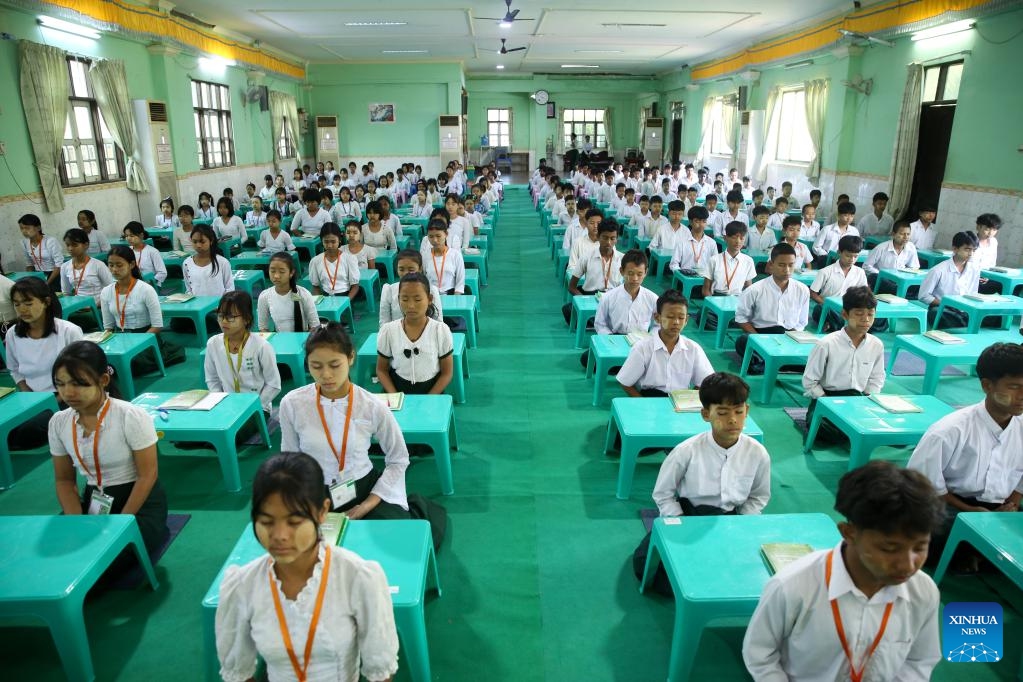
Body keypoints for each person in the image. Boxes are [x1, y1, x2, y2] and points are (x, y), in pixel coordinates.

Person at [742, 461, 944, 682]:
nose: (907, 564)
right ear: (849, 533)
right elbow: (760, 654)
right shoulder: (793, 586)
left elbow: (920, 661)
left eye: (920, 547)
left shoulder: (923, 592)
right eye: (889, 548)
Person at [215, 451, 399, 682]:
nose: (280, 536)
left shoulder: (357, 578)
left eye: (294, 522)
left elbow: (380, 672)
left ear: (322, 512)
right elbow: (239, 673)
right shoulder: (243, 585)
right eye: (266, 522)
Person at [633, 372, 770, 595]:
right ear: (706, 414)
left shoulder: (757, 453)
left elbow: (759, 496)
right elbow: (663, 494)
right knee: (647, 566)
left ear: (747, 412)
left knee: (754, 572)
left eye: (739, 412)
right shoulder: (686, 451)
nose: (733, 420)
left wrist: (742, 525)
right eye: (723, 413)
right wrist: (679, 522)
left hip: (731, 519)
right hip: (690, 515)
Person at [49, 341, 169, 566]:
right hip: (94, 498)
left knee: (100, 561)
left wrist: (121, 523)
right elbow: (64, 481)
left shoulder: (130, 416)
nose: (68, 392)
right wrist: (77, 523)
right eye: (61, 384)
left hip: (137, 501)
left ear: (103, 380)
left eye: (79, 384)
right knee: (57, 552)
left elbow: (148, 475)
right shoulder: (58, 422)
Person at [908, 342, 1023, 571]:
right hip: (953, 506)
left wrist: (1011, 506)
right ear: (986, 385)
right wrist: (971, 512)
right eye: (1014, 387)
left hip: (1002, 507)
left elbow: (1020, 481)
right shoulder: (949, 431)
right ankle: (981, 554)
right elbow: (923, 488)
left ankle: (976, 554)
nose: (1022, 396)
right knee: (918, 527)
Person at [279, 323, 411, 519]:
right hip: (312, 492)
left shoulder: (372, 406)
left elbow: (399, 459)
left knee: (387, 538)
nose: (326, 375)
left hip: (363, 488)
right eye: (316, 366)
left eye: (334, 365)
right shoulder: (292, 403)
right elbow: (289, 459)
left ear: (350, 357)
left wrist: (367, 504)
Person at [5, 278, 83, 448]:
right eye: (17, 304)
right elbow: (14, 369)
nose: (22, 309)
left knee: (25, 431)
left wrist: (55, 400)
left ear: (46, 301)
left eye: (28, 303)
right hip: (32, 398)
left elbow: (82, 374)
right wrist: (29, 396)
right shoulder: (13, 334)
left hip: (66, 398)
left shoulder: (68, 331)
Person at [802, 286, 885, 440]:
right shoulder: (826, 344)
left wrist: (867, 400)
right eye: (859, 314)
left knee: (883, 425)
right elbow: (809, 382)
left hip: (858, 398)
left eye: (870, 314)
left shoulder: (876, 344)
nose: (865, 320)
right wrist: (826, 401)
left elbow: (876, 378)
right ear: (845, 314)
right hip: (827, 396)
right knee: (821, 429)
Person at [100, 245, 184, 373]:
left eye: (119, 265)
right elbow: (108, 327)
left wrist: (137, 343)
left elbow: (157, 326)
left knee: (132, 364)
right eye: (111, 265)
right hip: (120, 338)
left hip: (146, 336)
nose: (114, 269)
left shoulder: (145, 289)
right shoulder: (106, 291)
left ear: (132, 264)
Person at [616, 289, 714, 397]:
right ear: (657, 318)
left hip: (679, 399)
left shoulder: (693, 349)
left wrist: (689, 399)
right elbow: (625, 382)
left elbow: (706, 382)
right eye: (670, 317)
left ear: (686, 320)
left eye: (681, 318)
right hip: (650, 397)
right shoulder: (642, 348)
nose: (676, 322)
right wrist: (642, 402)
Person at [734, 243, 810, 374]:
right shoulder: (754, 290)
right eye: (781, 265)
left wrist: (791, 338)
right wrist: (758, 340)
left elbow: (802, 322)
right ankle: (784, 365)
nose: (787, 270)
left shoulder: (802, 290)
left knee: (818, 350)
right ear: (771, 265)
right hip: (761, 334)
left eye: (791, 265)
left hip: (789, 335)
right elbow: (741, 319)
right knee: (743, 341)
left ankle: (769, 365)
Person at [205, 291, 281, 417]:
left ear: (246, 319)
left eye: (230, 317)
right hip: (228, 405)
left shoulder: (261, 346)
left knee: (239, 433)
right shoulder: (213, 343)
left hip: (258, 407)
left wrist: (256, 407)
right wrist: (220, 402)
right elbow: (212, 379)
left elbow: (274, 384)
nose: (224, 321)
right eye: (220, 315)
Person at [376, 273, 454, 396]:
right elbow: (381, 370)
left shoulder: (440, 330)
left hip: (432, 390)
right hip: (396, 389)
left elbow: (447, 373)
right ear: (398, 299)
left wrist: (430, 398)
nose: (411, 305)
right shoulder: (388, 330)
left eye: (417, 299)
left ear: (429, 299)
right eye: (405, 299)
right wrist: (394, 395)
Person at [917, 230, 980, 329]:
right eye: (967, 249)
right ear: (955, 249)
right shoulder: (938, 270)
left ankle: (965, 321)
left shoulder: (975, 269)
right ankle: (967, 323)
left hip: (966, 309)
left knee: (994, 315)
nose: (971, 254)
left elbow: (974, 294)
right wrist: (947, 304)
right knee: (935, 313)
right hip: (944, 308)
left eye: (974, 250)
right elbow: (923, 296)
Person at [810, 235, 867, 333]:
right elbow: (813, 293)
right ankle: (848, 325)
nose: (852, 260)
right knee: (819, 310)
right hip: (829, 307)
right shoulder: (825, 272)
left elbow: (864, 292)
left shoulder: (860, 272)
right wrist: (826, 303)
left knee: (875, 316)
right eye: (848, 256)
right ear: (839, 252)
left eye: (855, 256)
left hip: (849, 308)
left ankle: (835, 325)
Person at [594, 249, 658, 336]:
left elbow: (658, 325)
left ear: (645, 272)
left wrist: (649, 338)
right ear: (621, 271)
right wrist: (610, 337)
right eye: (630, 273)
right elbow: (600, 324)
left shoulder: (653, 299)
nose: (635, 278)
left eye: (639, 274)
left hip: (641, 340)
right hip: (614, 338)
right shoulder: (608, 297)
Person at [258, 253, 319, 333]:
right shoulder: (265, 296)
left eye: (282, 272)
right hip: (279, 341)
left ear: (291, 273)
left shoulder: (303, 294)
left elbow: (315, 326)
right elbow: (263, 327)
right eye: (272, 271)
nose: (276, 276)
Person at [379, 250, 443, 327]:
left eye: (411, 270)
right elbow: (384, 323)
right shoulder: (389, 290)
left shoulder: (431, 290)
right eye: (401, 269)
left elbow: (438, 322)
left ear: (420, 269)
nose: (405, 273)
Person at [60, 228, 112, 311]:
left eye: (74, 245)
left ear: (86, 245)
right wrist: (73, 306)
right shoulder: (64, 267)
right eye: (68, 245)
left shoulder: (98, 265)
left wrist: (96, 305)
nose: (70, 248)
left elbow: (111, 288)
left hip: (98, 307)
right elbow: (66, 293)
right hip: (78, 307)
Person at [309, 223, 361, 301]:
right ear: (321, 241)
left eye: (333, 242)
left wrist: (346, 302)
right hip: (325, 297)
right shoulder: (315, 261)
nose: (329, 245)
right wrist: (320, 302)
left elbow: (355, 286)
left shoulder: (349, 259)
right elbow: (315, 287)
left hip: (345, 297)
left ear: (339, 240)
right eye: (326, 242)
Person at [703, 221, 755, 298]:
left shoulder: (748, 261)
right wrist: (712, 303)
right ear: (725, 238)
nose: (738, 241)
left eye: (741, 238)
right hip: (716, 298)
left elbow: (748, 288)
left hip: (737, 299)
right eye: (734, 237)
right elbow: (705, 290)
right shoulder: (714, 260)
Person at [182, 224, 234, 297]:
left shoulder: (222, 262)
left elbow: (230, 289)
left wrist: (222, 306)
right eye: (194, 242)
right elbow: (189, 289)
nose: (198, 245)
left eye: (202, 242)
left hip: (218, 306)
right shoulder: (187, 263)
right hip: (197, 306)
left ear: (211, 241)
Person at [668, 206, 717, 278]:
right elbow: (673, 264)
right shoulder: (682, 242)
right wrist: (682, 275)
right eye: (697, 221)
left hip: (705, 279)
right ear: (690, 222)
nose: (701, 225)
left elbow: (715, 263)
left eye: (704, 221)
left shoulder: (712, 243)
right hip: (686, 278)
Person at [19, 213, 63, 289]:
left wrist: (47, 283)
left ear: (38, 228)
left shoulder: (50, 241)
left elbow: (59, 265)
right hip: (38, 275)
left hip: (54, 274)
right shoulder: (24, 243)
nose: (24, 231)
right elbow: (29, 264)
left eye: (27, 228)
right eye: (21, 228)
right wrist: (30, 279)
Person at [423, 221, 466, 295]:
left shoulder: (455, 255)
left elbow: (460, 283)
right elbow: (423, 278)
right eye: (431, 236)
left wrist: (455, 299)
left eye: (438, 236)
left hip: (451, 294)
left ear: (446, 234)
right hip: (431, 295)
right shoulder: (425, 256)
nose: (435, 240)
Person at [812, 201, 859, 267]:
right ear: (838, 215)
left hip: (847, 260)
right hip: (828, 259)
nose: (849, 218)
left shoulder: (854, 231)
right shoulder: (827, 229)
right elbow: (816, 247)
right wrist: (828, 255)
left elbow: (856, 248)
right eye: (846, 215)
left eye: (851, 216)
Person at [123, 221, 169, 288]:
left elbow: (162, 273)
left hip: (150, 285)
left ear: (141, 235)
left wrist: (150, 282)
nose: (128, 238)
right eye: (126, 236)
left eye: (132, 235)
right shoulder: (126, 251)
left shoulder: (152, 251)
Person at [974, 213, 1003, 294]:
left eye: (994, 230)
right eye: (987, 229)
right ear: (978, 227)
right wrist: (977, 277)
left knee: (1013, 287)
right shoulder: (970, 242)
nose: (990, 233)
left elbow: (992, 263)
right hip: (972, 278)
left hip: (987, 278)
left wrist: (989, 277)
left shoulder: (994, 242)